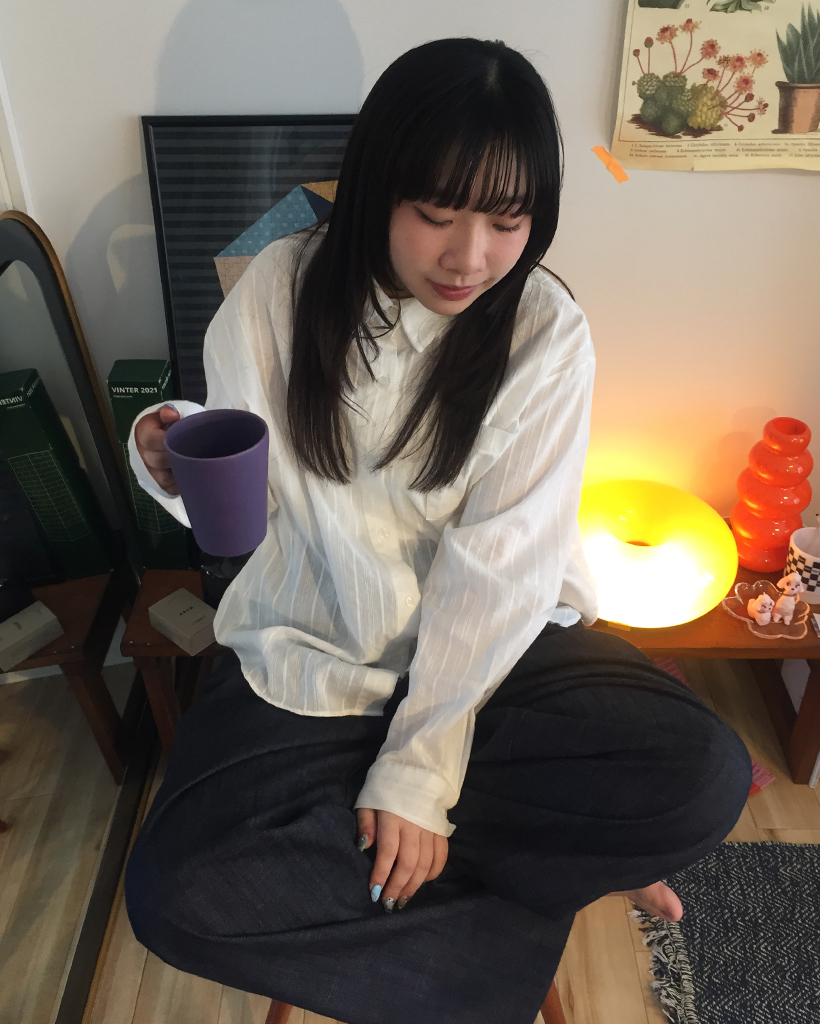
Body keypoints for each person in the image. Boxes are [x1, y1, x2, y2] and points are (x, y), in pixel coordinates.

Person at [124, 38, 752, 1024]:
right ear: (378, 188)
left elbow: (498, 574)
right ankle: (535, 889)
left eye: (507, 221)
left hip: (496, 656)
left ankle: (438, 875)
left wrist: (419, 770)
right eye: (436, 214)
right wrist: (166, 454)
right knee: (172, 894)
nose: (470, 258)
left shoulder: (544, 331)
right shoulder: (276, 293)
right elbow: (249, 505)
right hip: (312, 649)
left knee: (701, 774)